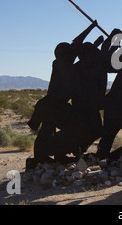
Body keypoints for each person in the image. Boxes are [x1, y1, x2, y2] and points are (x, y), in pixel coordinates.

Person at [26, 22, 97, 168]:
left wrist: (93, 32)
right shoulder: (61, 65)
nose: (74, 53)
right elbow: (76, 45)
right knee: (65, 126)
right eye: (71, 52)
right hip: (52, 105)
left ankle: (51, 154)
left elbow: (76, 45)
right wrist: (91, 28)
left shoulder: (66, 65)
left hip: (55, 104)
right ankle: (47, 153)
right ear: (65, 54)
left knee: (49, 128)